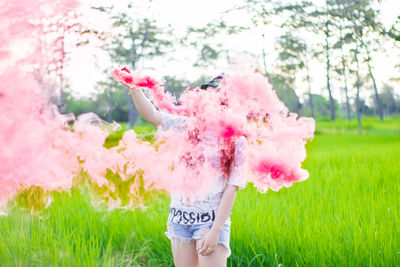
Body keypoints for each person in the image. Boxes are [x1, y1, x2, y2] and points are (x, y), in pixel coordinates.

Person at [128, 75, 248, 267]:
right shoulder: (187, 126)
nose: (207, 100)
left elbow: (232, 188)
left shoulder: (236, 141)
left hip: (210, 223)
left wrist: (215, 231)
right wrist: (135, 89)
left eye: (214, 96)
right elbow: (153, 116)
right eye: (206, 95)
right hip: (179, 219)